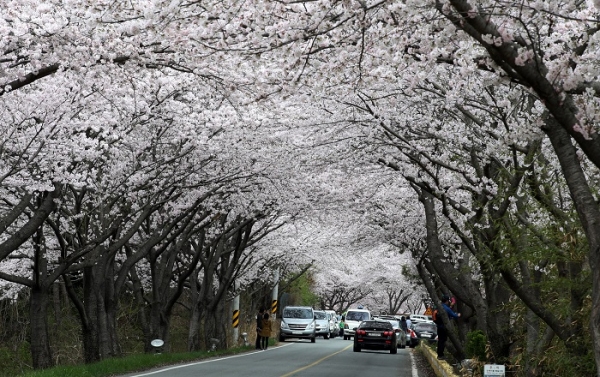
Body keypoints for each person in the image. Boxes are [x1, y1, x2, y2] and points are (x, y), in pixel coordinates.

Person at [435, 295, 460, 360]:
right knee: (442, 341)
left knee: (440, 340)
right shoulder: (446, 308)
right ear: (447, 301)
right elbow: (454, 315)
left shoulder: (439, 307)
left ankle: (439, 354)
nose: (449, 302)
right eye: (449, 301)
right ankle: (441, 355)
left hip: (439, 326)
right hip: (444, 327)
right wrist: (458, 315)